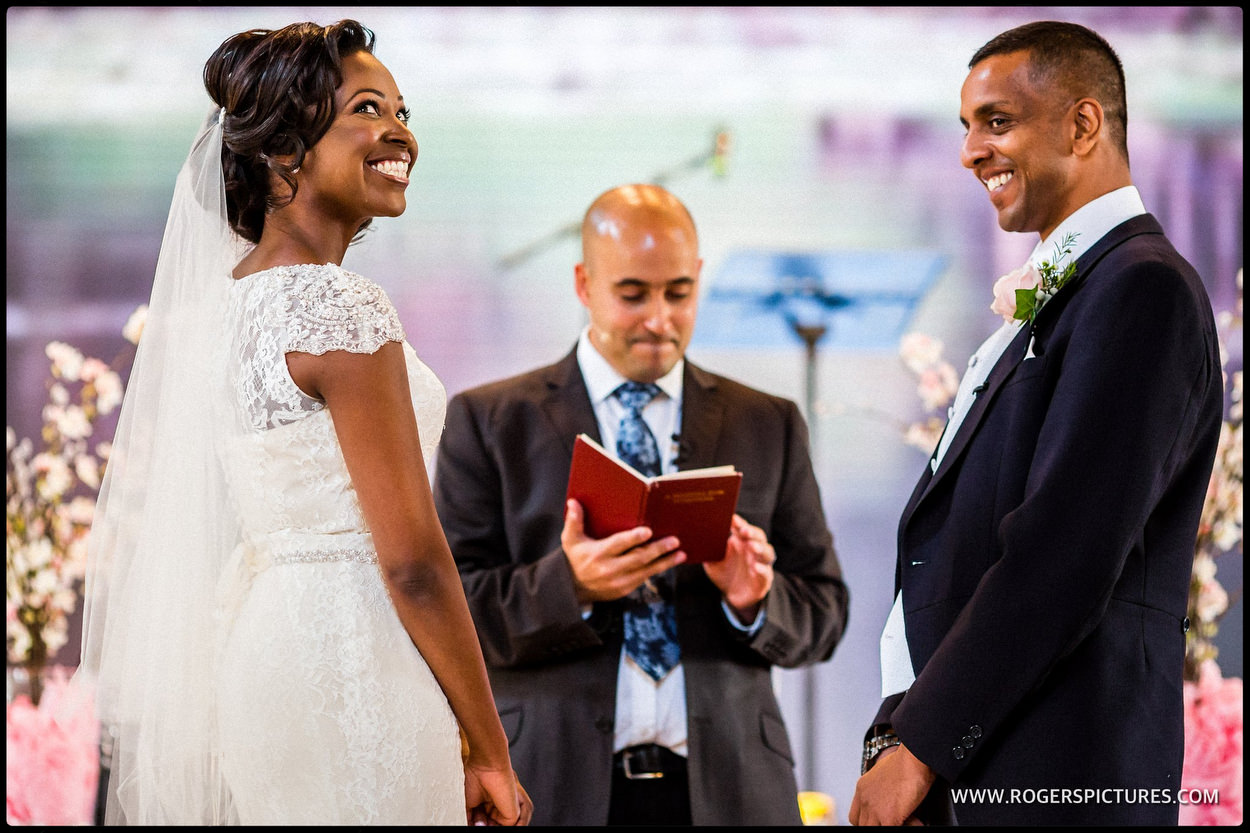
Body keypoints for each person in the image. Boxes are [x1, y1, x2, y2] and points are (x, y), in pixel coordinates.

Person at [75, 19, 532, 826]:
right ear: (286, 151)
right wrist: (488, 743)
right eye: (366, 108)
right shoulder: (337, 305)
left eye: (402, 109)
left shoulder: (227, 305)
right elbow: (415, 561)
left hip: (265, 656)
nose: (400, 132)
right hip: (357, 656)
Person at [848, 20, 1223, 826]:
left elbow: (1063, 551)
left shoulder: (1141, 290)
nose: (970, 152)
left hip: (1059, 775)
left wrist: (919, 747)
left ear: (1083, 125)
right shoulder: (1076, 291)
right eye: (966, 127)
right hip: (990, 768)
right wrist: (901, 729)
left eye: (997, 121)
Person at [431, 182, 850, 826]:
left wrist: (754, 599)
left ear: (699, 278)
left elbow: (825, 613)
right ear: (583, 284)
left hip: (734, 789)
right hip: (553, 783)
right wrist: (569, 585)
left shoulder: (767, 422)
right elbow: (449, 616)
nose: (659, 319)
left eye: (679, 293)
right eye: (633, 295)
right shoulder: (490, 421)